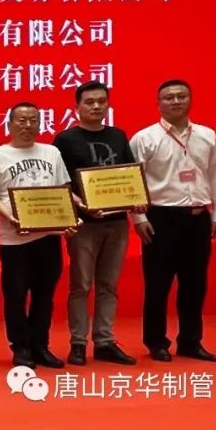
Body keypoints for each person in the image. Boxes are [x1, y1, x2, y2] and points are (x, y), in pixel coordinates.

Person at [130, 79, 216, 362]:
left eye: (181, 96)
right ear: (158, 103)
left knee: (195, 284)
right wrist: (138, 217)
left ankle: (190, 341)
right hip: (160, 219)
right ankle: (156, 341)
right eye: (169, 97)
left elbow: (215, 175)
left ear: (190, 100)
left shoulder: (207, 135)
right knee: (157, 284)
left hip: (198, 218)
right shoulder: (144, 139)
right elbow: (132, 181)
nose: (176, 101)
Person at [0, 102, 77, 369]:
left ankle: (40, 346)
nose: (27, 125)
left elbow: (62, 189)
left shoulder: (51, 152)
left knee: (44, 295)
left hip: (49, 236)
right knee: (15, 295)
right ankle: (21, 347)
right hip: (14, 238)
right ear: (10, 124)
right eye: (21, 120)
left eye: (33, 120)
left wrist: (70, 219)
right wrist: (9, 216)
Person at [52, 81, 138, 366]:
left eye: (101, 101)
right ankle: (78, 343)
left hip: (117, 222)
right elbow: (59, 183)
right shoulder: (65, 140)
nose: (96, 106)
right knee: (81, 285)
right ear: (77, 107)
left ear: (108, 104)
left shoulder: (118, 136)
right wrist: (81, 204)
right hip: (84, 225)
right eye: (89, 102)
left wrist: (137, 200)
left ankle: (104, 341)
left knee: (109, 285)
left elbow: (129, 175)